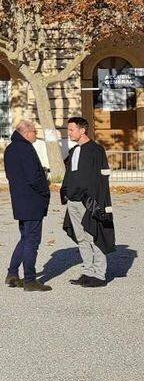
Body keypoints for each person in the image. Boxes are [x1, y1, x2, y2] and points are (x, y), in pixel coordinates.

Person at [60, 117, 116, 288]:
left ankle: (99, 275)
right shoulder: (73, 150)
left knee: (94, 235)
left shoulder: (96, 150)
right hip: (73, 202)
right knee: (81, 238)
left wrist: (97, 203)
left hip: (89, 202)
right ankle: (88, 272)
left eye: (71, 129)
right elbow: (69, 175)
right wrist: (66, 193)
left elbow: (100, 180)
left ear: (82, 130)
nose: (68, 133)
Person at [3, 120, 51, 291]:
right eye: (34, 132)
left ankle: (12, 273)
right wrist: (45, 190)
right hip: (32, 201)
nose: (36, 136)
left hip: (19, 199)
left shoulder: (10, 149)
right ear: (27, 133)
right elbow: (33, 177)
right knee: (32, 240)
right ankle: (30, 279)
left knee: (25, 238)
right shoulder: (25, 148)